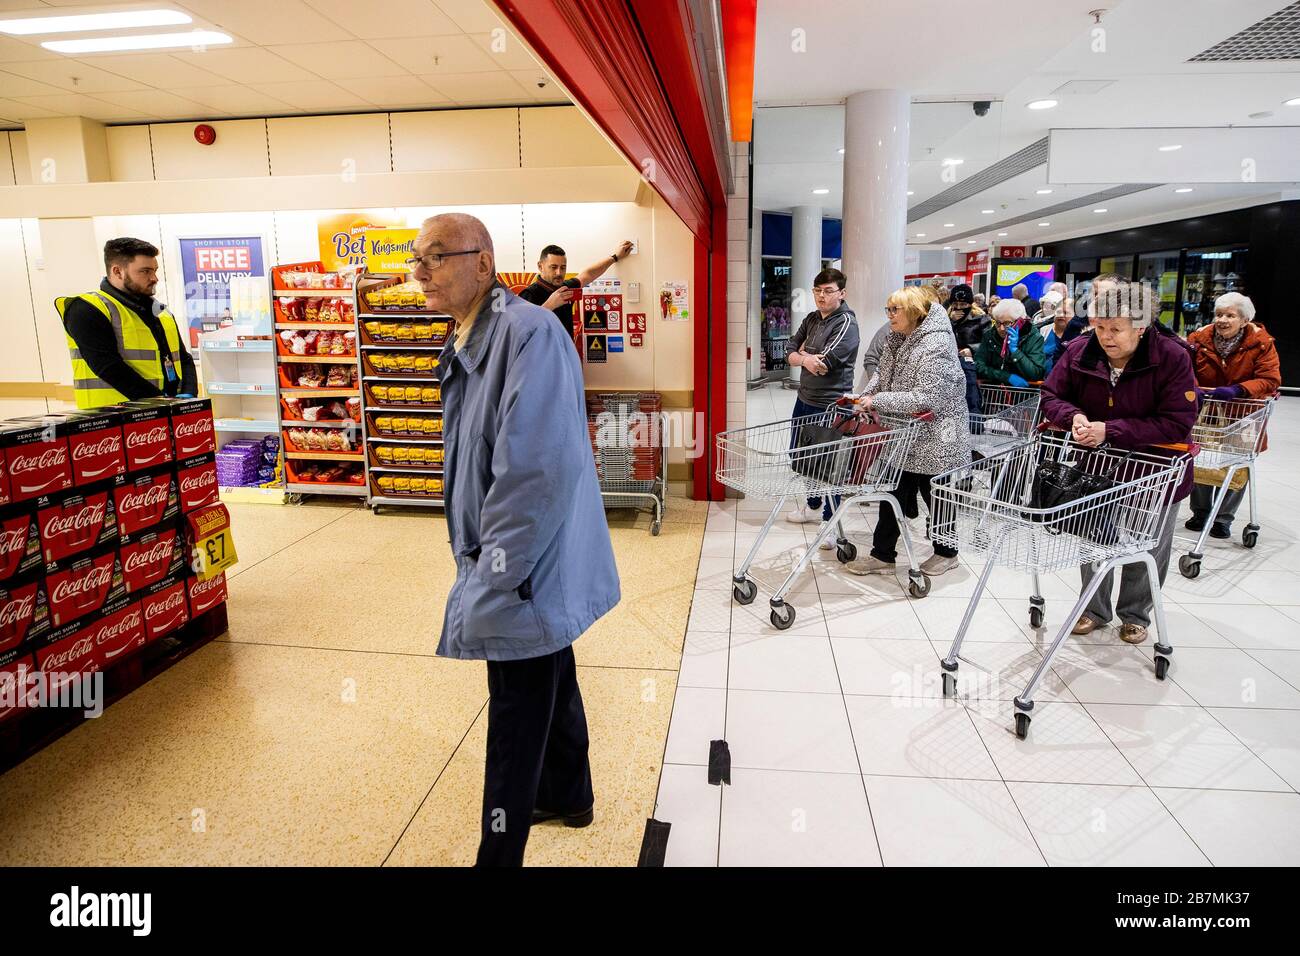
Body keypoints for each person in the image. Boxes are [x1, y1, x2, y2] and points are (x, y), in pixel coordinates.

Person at [416, 213, 620, 867]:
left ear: (483, 263)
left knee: (513, 715)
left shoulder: (527, 334)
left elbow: (531, 473)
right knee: (550, 668)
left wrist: (494, 576)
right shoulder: (474, 334)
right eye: (417, 258)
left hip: (522, 561)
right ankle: (570, 793)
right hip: (522, 559)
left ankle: (496, 855)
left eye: (437, 256)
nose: (420, 270)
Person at [1040, 276, 1198, 645]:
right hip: (1096, 467)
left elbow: (1178, 421)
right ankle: (1093, 609)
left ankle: (1135, 613)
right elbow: (1052, 394)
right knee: (1093, 537)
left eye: (1116, 329)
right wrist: (1074, 418)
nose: (1106, 336)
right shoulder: (1081, 350)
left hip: (1155, 469)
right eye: (1100, 326)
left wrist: (1109, 430)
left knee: (1146, 545)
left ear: (1141, 328)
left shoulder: (1172, 356)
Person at [845, 287, 971, 578]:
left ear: (914, 310)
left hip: (938, 438)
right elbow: (882, 375)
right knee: (893, 492)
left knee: (937, 497)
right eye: (887, 309)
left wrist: (876, 401)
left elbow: (926, 398)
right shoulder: (896, 337)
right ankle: (883, 555)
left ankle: (946, 553)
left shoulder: (936, 344)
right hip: (905, 434)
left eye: (895, 309)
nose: (889, 315)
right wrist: (864, 397)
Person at [1184, 292, 1281, 537]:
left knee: (1237, 465)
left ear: (1245, 319)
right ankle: (1201, 512)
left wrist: (1239, 389)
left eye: (1230, 315)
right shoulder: (1198, 339)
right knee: (1202, 460)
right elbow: (1183, 366)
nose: (1222, 320)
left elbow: (1270, 379)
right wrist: (1193, 387)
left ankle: (1223, 518)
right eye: (1218, 314)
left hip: (1245, 413)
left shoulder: (1262, 343)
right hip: (1207, 412)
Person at [58, 237, 196, 407]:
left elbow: (184, 358)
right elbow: (108, 367)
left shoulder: (160, 312)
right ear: (118, 272)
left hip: (164, 414)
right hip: (113, 420)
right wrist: (161, 403)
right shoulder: (87, 309)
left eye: (155, 270)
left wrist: (188, 396)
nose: (154, 278)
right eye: (145, 271)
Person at [785, 268, 861, 536]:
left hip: (832, 405)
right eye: (817, 291)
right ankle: (813, 505)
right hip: (804, 398)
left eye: (828, 291)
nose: (821, 296)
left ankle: (830, 521)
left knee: (830, 465)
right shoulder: (812, 319)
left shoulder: (846, 323)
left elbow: (826, 363)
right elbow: (790, 349)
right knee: (802, 456)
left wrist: (805, 356)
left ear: (842, 293)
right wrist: (804, 358)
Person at [518, 241, 635, 335]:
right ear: (540, 266)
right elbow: (520, 332)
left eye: (563, 267)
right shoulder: (529, 294)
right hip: (542, 361)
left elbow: (588, 274)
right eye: (553, 267)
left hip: (565, 358)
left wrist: (614, 257)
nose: (559, 272)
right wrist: (549, 305)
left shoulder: (565, 288)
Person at [975, 298, 1046, 386]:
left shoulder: (1033, 337)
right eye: (998, 323)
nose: (1001, 329)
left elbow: (1036, 373)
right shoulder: (990, 335)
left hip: (1024, 394)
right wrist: (1005, 377)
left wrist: (1015, 351)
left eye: (1007, 323)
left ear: (1020, 322)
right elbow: (978, 366)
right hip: (993, 392)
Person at [946, 284, 988, 355]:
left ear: (970, 304)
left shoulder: (982, 319)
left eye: (963, 304)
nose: (958, 308)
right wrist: (951, 321)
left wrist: (972, 349)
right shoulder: (947, 318)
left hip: (974, 360)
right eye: (955, 304)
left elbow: (988, 343)